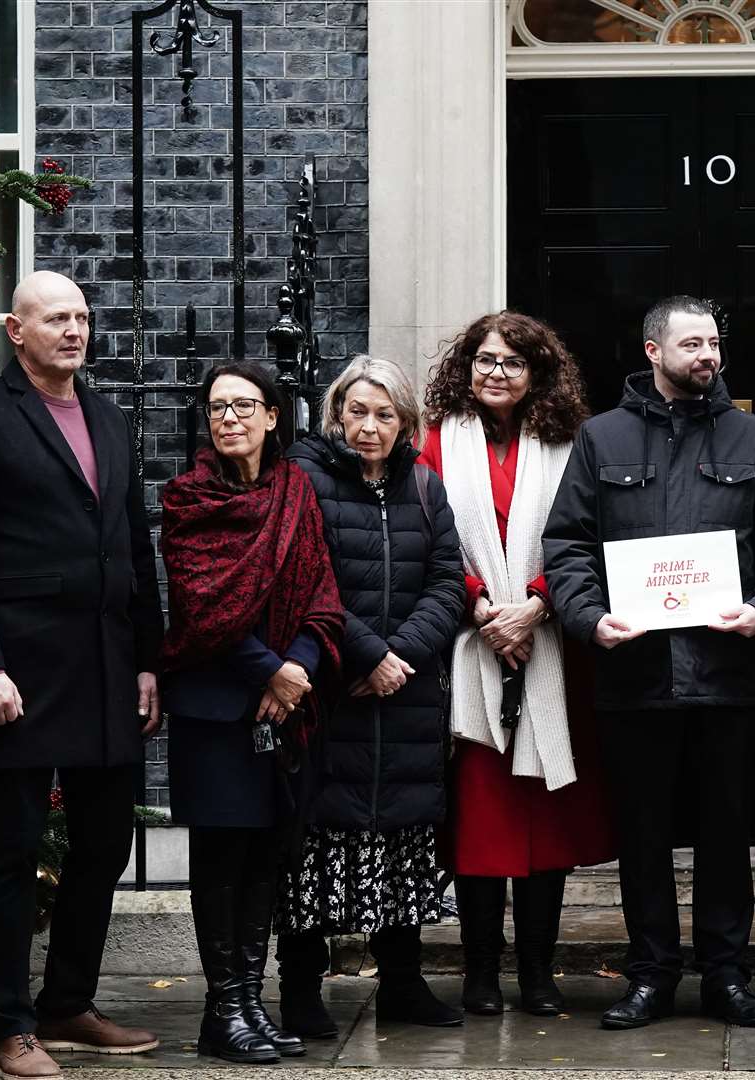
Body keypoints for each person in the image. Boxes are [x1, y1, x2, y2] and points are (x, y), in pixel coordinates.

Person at [543, 295, 755, 1031]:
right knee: (644, 838)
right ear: (654, 351)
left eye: (716, 343)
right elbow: (566, 545)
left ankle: (727, 976)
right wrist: (591, 619)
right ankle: (650, 976)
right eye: (693, 344)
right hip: (636, 677)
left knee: (727, 836)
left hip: (728, 676)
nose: (709, 356)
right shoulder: (602, 439)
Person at [0, 271, 164, 1080]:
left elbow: (137, 548)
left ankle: (68, 1003)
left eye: (82, 317)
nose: (73, 330)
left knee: (104, 843)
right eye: (55, 317)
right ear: (14, 330)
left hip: (105, 667)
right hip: (21, 673)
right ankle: (8, 1026)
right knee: (14, 851)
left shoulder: (108, 418)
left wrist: (145, 661)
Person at [419, 312, 616, 1019]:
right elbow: (429, 541)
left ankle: (537, 972)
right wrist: (482, 611)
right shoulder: (436, 442)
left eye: (510, 363)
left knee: (546, 819)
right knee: (479, 818)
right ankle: (479, 972)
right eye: (483, 360)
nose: (494, 373)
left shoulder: (571, 445)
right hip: (472, 651)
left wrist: (535, 607)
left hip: (552, 650)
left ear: (537, 375)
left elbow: (588, 539)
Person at [159, 363, 346, 1063]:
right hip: (215, 709)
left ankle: (248, 1000)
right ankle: (222, 1009)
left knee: (266, 857)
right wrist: (271, 670)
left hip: (285, 708)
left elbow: (324, 592)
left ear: (274, 416)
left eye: (243, 406)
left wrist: (297, 667)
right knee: (221, 857)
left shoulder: (297, 492)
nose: (228, 418)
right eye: (216, 408)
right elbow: (202, 604)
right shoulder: (188, 499)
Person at [280, 354, 467, 1032]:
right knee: (314, 847)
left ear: (405, 424)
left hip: (406, 693)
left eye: (385, 415)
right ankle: (300, 989)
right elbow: (304, 578)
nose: (369, 425)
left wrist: (401, 655)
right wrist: (367, 653)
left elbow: (449, 580)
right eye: (357, 411)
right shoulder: (305, 479)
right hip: (335, 688)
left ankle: (403, 985)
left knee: (402, 842)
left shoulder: (423, 485)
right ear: (336, 414)